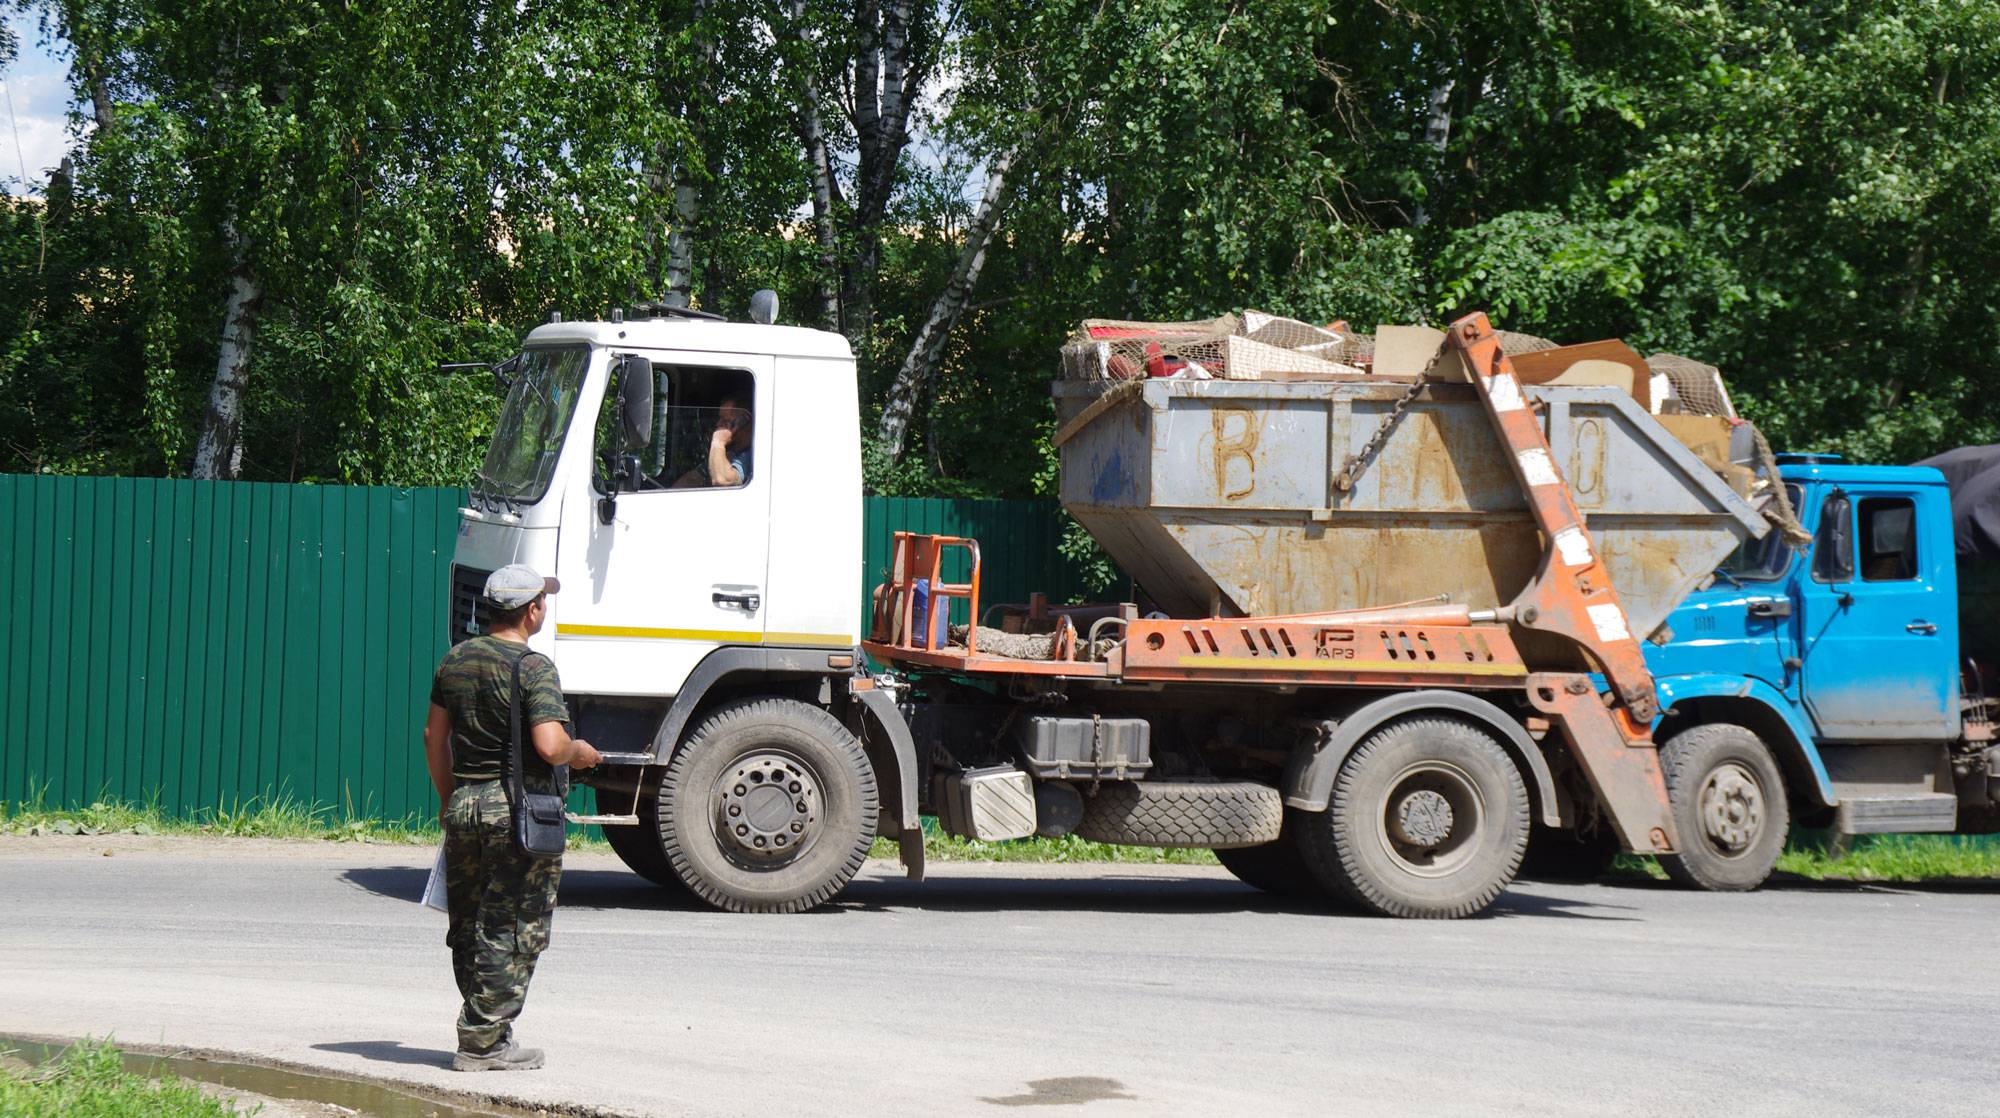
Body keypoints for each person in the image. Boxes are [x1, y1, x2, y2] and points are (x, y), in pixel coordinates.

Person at [422, 564, 602, 1072]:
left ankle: (488, 1028)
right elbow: (549, 744)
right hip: (516, 813)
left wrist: (448, 797)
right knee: (514, 923)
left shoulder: (453, 661)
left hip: (466, 804)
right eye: (543, 600)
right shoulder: (534, 667)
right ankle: (482, 1040)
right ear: (531, 611)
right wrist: (580, 751)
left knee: (470, 922)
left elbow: (434, 738)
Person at [672, 393, 752, 487]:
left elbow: (722, 480)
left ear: (744, 422)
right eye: (719, 418)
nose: (718, 424)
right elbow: (693, 478)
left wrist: (718, 442)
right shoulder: (729, 453)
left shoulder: (752, 456)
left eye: (725, 421)